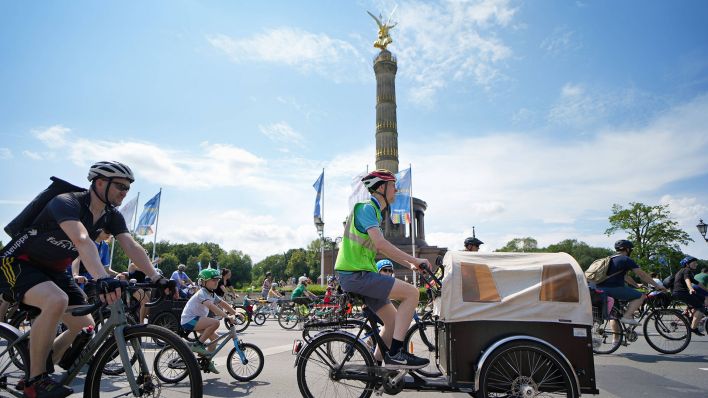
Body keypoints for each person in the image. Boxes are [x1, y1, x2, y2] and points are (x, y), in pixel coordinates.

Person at [0, 161, 164, 397]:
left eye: (127, 188)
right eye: (120, 186)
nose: (124, 192)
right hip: (18, 262)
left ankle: (36, 363)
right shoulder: (67, 202)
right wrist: (101, 279)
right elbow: (82, 239)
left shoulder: (111, 216)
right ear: (99, 183)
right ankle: (35, 381)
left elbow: (131, 244)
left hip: (54, 271)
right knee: (56, 300)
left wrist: (157, 277)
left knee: (85, 325)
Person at [335, 169, 430, 369]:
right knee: (412, 293)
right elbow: (381, 245)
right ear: (381, 187)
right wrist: (414, 260)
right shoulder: (366, 208)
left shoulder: (374, 212)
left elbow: (382, 247)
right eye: (393, 186)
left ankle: (377, 369)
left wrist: (411, 264)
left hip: (360, 274)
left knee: (393, 321)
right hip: (355, 275)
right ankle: (396, 353)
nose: (396, 190)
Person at [180, 268, 238, 374]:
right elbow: (212, 307)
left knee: (215, 339)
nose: (216, 282)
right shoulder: (202, 293)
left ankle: (206, 361)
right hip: (189, 320)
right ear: (203, 282)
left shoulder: (211, 294)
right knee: (215, 322)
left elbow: (222, 303)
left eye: (217, 280)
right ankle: (198, 345)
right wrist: (227, 316)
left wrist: (235, 313)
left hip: (198, 320)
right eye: (213, 280)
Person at [596, 240, 666, 327]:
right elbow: (642, 274)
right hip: (613, 288)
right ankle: (627, 316)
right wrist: (657, 286)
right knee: (641, 296)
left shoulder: (610, 259)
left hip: (599, 288)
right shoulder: (626, 259)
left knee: (618, 311)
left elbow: (626, 277)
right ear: (628, 250)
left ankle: (622, 331)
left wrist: (636, 285)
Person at [672, 256, 706, 336]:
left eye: (696, 263)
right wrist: (690, 288)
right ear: (687, 264)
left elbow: (698, 283)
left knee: (701, 298)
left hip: (678, 292)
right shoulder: (686, 270)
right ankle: (693, 328)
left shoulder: (683, 271)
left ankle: (689, 315)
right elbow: (686, 279)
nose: (696, 264)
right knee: (701, 307)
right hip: (681, 292)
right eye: (694, 263)